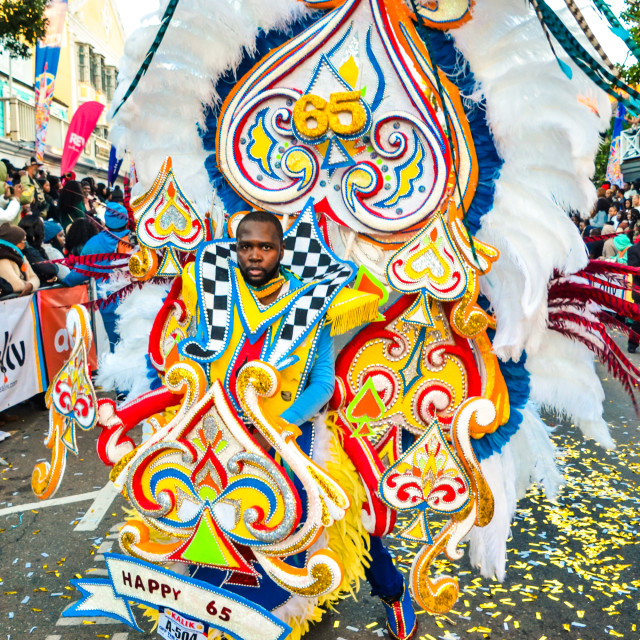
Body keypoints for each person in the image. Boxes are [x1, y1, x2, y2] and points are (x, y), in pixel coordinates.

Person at [194, 211, 417, 640]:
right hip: (227, 429)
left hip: (295, 433)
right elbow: (204, 360)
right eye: (246, 246)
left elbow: (322, 383)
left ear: (280, 250)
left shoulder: (310, 301)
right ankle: (221, 609)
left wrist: (277, 424)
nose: (254, 255)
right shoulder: (219, 295)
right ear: (235, 249)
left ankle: (392, 593)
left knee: (342, 515)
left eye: (265, 246)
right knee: (211, 514)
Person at [64, 203, 131, 350]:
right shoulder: (137, 240)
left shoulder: (93, 244)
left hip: (109, 306)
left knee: (117, 349)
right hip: (135, 303)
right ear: (126, 219)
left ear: (106, 220)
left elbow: (77, 275)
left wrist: (63, 281)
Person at [0, 223, 40, 296]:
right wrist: (29, 284)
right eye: (23, 240)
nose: (24, 243)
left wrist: (31, 285)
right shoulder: (2, 259)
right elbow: (15, 285)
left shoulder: (21, 257)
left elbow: (35, 278)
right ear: (13, 241)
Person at [18, 215, 58, 285]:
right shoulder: (29, 251)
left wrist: (54, 277)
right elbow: (51, 269)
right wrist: (55, 269)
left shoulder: (36, 249)